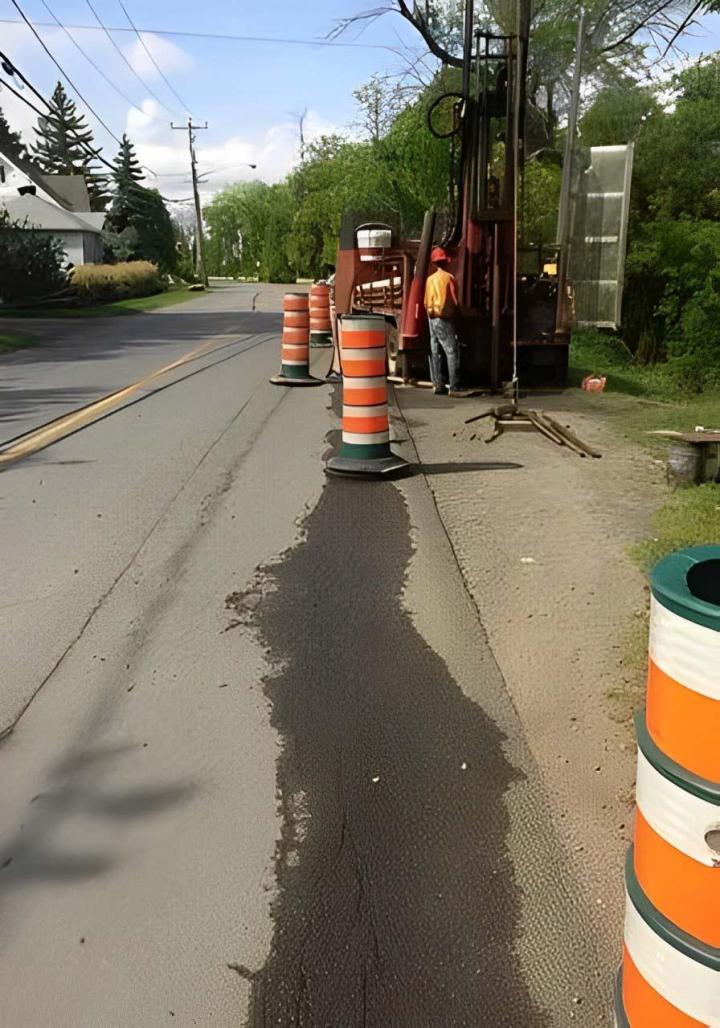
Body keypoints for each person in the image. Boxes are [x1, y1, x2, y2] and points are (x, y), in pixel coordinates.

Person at [424, 246, 463, 396]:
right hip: (444, 318)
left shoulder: (429, 279)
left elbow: (426, 301)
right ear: (445, 262)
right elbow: (454, 300)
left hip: (431, 317)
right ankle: (454, 387)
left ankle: (438, 385)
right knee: (452, 351)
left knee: (435, 350)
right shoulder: (449, 278)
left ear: (434, 263)